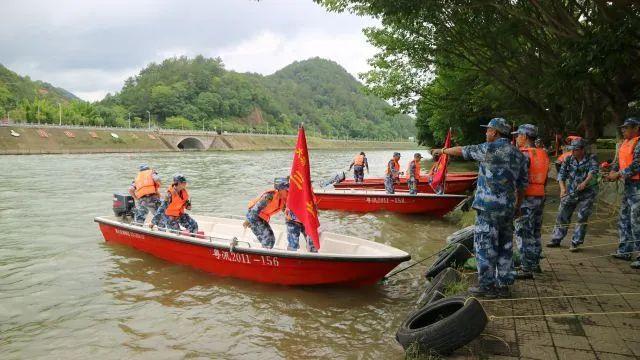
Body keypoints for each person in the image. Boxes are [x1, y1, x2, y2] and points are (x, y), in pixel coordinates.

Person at [432, 118, 528, 298]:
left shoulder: (488, 149)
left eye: (488, 130)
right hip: (508, 208)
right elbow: (522, 185)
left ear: (495, 132)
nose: (486, 133)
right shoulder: (519, 155)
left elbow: (461, 150)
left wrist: (442, 150)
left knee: (485, 245)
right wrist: (518, 206)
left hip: (487, 208)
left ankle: (486, 285)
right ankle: (503, 286)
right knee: (505, 246)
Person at [547, 138, 598, 251]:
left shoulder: (591, 158)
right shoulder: (569, 158)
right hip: (570, 191)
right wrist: (562, 189)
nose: (573, 151)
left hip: (587, 193)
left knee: (582, 217)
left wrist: (585, 183)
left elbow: (593, 172)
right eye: (572, 149)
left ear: (582, 149)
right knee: (562, 214)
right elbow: (561, 175)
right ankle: (556, 239)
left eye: (576, 149)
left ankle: (576, 242)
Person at [512, 125, 550, 279]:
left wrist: (516, 204)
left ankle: (526, 267)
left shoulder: (523, 155)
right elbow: (546, 178)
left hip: (526, 198)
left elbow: (519, 182)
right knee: (534, 232)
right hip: (540, 195)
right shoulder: (543, 154)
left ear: (525, 136)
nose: (516, 138)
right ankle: (535, 264)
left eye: (518, 135)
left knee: (522, 231)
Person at [606, 117, 640, 268]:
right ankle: (625, 250)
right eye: (622, 128)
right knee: (624, 218)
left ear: (636, 128)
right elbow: (618, 163)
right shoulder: (624, 144)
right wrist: (612, 173)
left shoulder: (639, 143)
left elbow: (637, 165)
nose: (623, 130)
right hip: (628, 186)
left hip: (638, 187)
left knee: (637, 221)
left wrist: (618, 174)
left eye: (626, 128)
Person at [244, 177, 289, 249]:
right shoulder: (269, 196)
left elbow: (287, 212)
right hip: (254, 216)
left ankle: (265, 252)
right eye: (286, 188)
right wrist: (248, 220)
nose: (288, 190)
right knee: (267, 238)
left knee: (271, 240)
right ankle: (263, 255)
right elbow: (255, 210)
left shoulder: (284, 198)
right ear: (280, 189)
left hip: (261, 217)